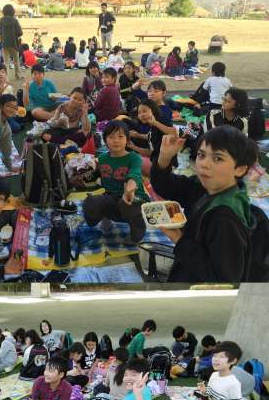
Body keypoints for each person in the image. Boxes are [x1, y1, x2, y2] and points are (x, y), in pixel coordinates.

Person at [150, 127, 258, 282]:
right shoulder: (206, 188)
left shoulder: (224, 217)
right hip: (186, 267)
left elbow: (223, 280)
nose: (204, 164)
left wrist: (179, 239)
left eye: (218, 158)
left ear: (240, 170)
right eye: (201, 155)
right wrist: (164, 158)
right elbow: (166, 186)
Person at [82, 120, 147, 243]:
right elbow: (95, 174)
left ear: (127, 140)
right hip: (111, 198)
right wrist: (83, 175)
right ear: (105, 140)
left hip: (134, 199)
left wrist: (129, 190)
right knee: (90, 203)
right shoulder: (102, 158)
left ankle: (137, 235)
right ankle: (105, 216)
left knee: (128, 206)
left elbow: (134, 175)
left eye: (120, 136)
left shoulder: (134, 158)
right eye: (111, 137)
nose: (116, 140)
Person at [0, 4, 23, 81]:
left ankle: (6, 78)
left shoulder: (1, 20)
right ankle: (18, 75)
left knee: (6, 62)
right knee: (16, 60)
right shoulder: (15, 20)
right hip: (14, 43)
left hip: (4, 44)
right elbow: (20, 32)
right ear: (12, 11)